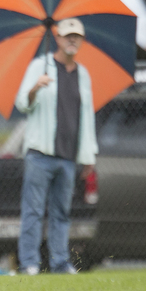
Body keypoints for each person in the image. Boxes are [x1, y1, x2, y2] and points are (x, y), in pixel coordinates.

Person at [14, 17, 98, 275]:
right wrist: (35, 88)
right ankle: (29, 263)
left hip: (69, 156)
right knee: (34, 211)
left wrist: (88, 155)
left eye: (77, 36)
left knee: (62, 213)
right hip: (40, 154)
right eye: (67, 35)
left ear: (81, 41)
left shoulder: (83, 73)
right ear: (58, 38)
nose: (72, 40)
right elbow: (22, 103)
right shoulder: (40, 66)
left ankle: (60, 262)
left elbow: (87, 117)